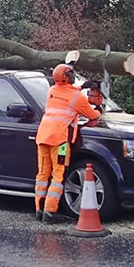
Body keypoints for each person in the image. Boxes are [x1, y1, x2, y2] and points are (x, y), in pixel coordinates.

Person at [34, 64, 102, 223]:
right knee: (58, 175)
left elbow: (66, 93)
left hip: (43, 137)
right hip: (60, 142)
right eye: (71, 74)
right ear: (66, 77)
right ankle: (50, 212)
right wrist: (99, 108)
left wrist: (82, 87)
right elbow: (92, 115)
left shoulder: (51, 91)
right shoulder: (77, 98)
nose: (73, 76)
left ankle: (39, 208)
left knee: (43, 174)